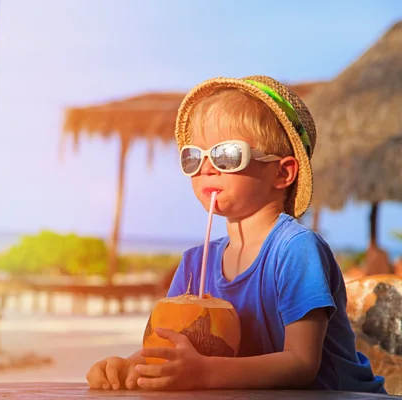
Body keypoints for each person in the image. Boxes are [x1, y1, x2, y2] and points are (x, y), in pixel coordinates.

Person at [85, 75, 387, 393]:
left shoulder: (295, 249)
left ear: (282, 172)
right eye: (193, 157)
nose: (206, 168)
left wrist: (205, 375)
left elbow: (301, 363)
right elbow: (169, 347)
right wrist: (130, 366)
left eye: (226, 155)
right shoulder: (194, 263)